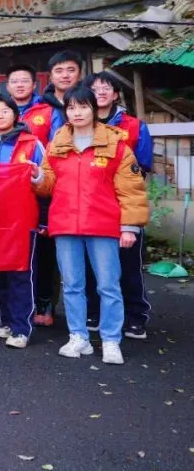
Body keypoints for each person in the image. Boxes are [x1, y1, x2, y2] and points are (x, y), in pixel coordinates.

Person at [34, 84, 149, 365]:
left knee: (108, 285)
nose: (77, 113)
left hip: (103, 225)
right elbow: (48, 185)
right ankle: (78, 337)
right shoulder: (56, 144)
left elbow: (131, 190)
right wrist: (38, 177)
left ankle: (111, 340)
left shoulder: (116, 144)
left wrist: (129, 227)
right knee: (72, 285)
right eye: (71, 107)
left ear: (94, 110)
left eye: (83, 107)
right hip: (65, 224)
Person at [0, 94, 47, 350]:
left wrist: (37, 176)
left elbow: (47, 180)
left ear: (16, 115)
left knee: (21, 273)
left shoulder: (32, 143)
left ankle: (21, 327)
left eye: (5, 111)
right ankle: (6, 321)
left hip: (22, 218)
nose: (0, 116)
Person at [85, 71, 153, 339]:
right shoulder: (80, 124)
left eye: (106, 88)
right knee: (90, 265)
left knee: (128, 265)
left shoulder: (134, 126)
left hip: (123, 204)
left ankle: (135, 316)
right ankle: (94, 311)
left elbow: (142, 166)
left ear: (115, 94)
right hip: (90, 206)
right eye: (95, 88)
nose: (101, 92)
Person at [31, 50, 85, 327]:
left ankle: (90, 311)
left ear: (80, 73)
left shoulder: (91, 104)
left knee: (88, 252)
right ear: (50, 76)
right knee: (46, 251)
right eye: (59, 70)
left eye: (70, 70)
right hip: (48, 186)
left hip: (85, 187)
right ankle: (45, 303)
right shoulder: (39, 110)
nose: (65, 75)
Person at [0, 65, 44, 140]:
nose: (19, 85)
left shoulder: (47, 109)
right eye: (14, 81)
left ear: (34, 85)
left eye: (25, 81)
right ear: (7, 86)